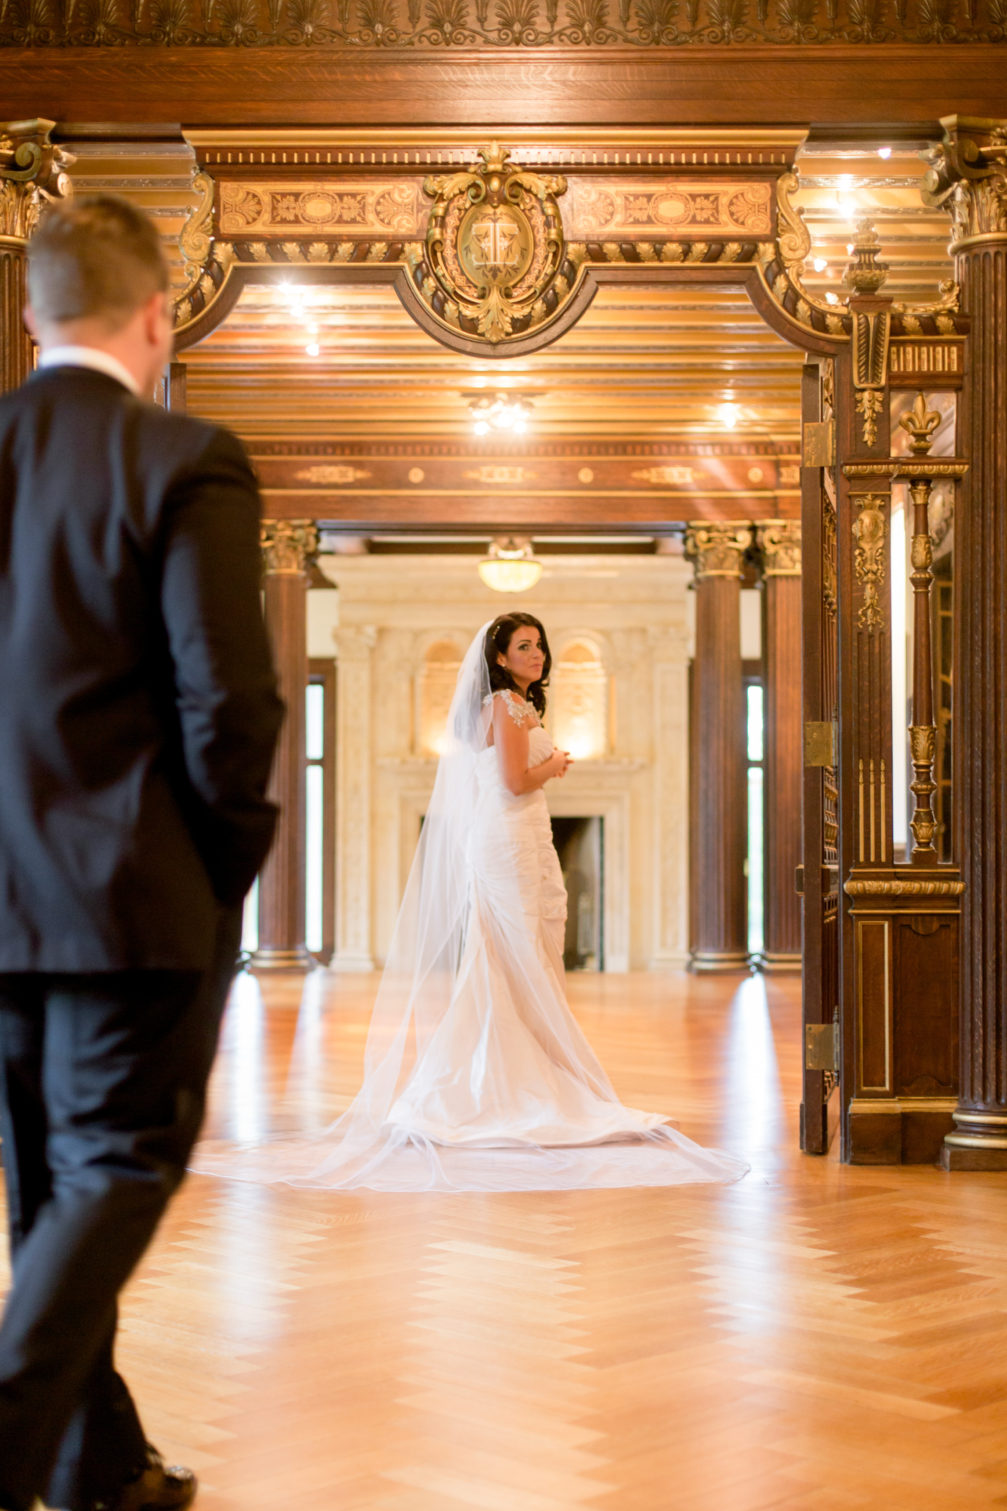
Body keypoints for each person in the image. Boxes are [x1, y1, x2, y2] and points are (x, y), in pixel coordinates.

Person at [0, 195, 283, 1511]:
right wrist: (220, 865)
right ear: (160, 316)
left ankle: (100, 1466)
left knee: (48, 1191)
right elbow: (229, 705)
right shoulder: (183, 458)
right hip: (126, 903)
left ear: (29, 313)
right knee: (110, 1169)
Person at [194, 613, 746, 1193]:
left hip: (523, 836)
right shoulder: (506, 706)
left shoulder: (517, 706)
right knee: (516, 957)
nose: (537, 654)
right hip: (507, 839)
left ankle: (520, 1076)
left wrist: (544, 767)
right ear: (501, 659)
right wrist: (554, 766)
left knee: (519, 955)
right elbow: (512, 781)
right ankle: (514, 1087)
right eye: (524, 647)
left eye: (540, 644)